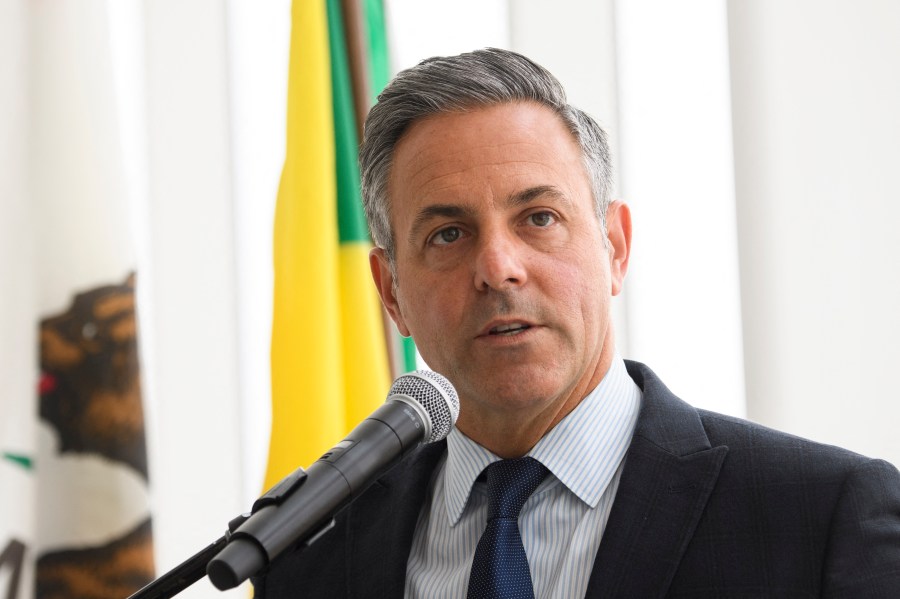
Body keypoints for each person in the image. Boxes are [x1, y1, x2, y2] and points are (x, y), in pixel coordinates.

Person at [253, 48, 900, 598]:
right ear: (390, 292)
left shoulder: (821, 520)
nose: (498, 267)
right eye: (448, 233)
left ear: (615, 247)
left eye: (538, 217)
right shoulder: (310, 556)